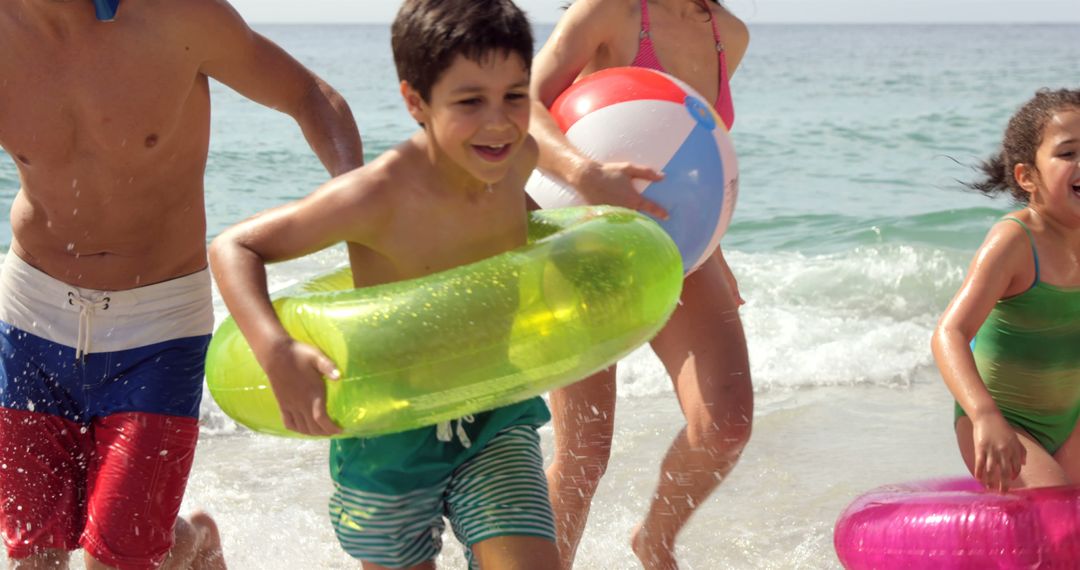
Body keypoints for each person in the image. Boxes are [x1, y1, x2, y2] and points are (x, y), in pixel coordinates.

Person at [0, 0, 363, 567]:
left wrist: (354, 201)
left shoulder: (179, 15)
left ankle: (192, 542)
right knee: (33, 557)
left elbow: (307, 95)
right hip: (30, 317)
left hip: (158, 326)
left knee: (117, 559)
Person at [208, 1, 560, 568]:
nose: (498, 121)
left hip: (494, 409)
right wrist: (276, 350)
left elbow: (532, 233)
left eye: (514, 96)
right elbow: (234, 247)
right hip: (387, 432)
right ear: (416, 101)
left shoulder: (517, 160)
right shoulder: (376, 195)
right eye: (470, 101)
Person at [528, 0, 752, 567]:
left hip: (679, 251)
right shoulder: (611, 12)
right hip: (583, 241)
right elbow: (521, 105)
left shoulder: (730, 36)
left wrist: (714, 247)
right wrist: (583, 173)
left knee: (725, 426)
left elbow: (694, 156)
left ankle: (654, 538)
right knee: (584, 452)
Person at [933, 88, 1080, 494]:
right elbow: (950, 333)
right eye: (1068, 153)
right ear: (1027, 177)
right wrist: (984, 416)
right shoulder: (1015, 241)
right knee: (1060, 522)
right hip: (1005, 422)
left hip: (1071, 417)